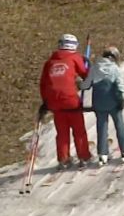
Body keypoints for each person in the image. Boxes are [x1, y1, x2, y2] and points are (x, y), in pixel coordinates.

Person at [39, 33, 93, 169]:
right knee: (79, 130)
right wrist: (87, 67)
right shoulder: (75, 57)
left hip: (54, 102)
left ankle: (63, 159)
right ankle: (84, 157)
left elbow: (43, 84)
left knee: (62, 132)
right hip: (70, 100)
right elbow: (86, 74)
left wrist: (45, 101)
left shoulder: (50, 62)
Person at [79, 46, 124, 166]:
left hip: (99, 103)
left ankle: (102, 154)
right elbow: (120, 85)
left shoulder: (94, 68)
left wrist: (80, 84)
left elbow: (86, 85)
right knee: (119, 125)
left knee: (101, 127)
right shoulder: (115, 69)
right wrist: (121, 99)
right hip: (113, 102)